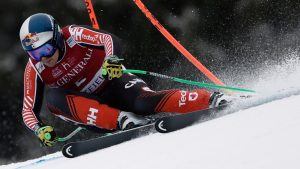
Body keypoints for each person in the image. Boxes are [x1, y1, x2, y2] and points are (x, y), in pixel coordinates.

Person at [19, 13, 229, 147]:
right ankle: (122, 119)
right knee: (53, 99)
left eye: (46, 49)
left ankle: (209, 99)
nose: (44, 58)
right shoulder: (35, 68)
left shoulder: (73, 35)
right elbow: (28, 110)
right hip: (94, 111)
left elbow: (108, 39)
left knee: (144, 102)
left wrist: (111, 60)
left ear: (56, 38)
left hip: (114, 84)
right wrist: (40, 129)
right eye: (35, 54)